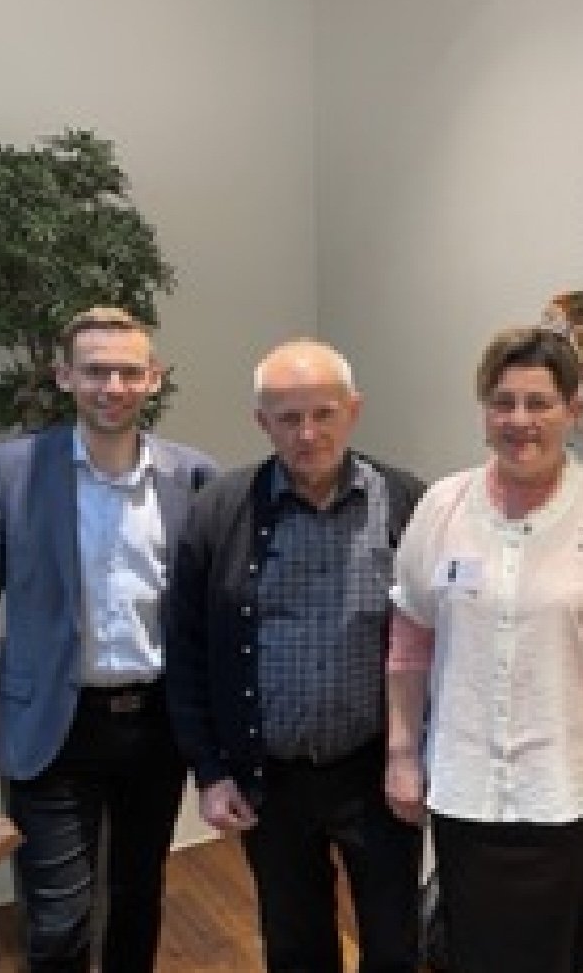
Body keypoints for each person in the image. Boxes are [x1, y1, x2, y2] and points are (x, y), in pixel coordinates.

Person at [0, 307, 217, 972]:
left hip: (156, 727)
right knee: (59, 919)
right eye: (95, 371)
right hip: (53, 727)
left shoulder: (193, 476)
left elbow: (215, 609)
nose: (112, 387)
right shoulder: (8, 472)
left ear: (153, 378)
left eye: (128, 372)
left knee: (138, 897)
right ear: (64, 375)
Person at [384, 326, 583, 973]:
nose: (520, 420)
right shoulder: (442, 507)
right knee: (470, 957)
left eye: (539, 403)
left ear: (573, 409)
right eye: (503, 402)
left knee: (564, 958)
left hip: (576, 792)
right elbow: (410, 638)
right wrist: (401, 755)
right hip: (465, 790)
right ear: (485, 411)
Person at [164, 338, 424, 973]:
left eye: (323, 413)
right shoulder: (221, 509)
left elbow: (436, 639)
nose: (308, 433)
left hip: (376, 772)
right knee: (294, 946)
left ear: (353, 410)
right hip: (269, 778)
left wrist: (420, 756)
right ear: (262, 422)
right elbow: (186, 649)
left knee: (393, 944)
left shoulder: (406, 502)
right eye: (288, 417)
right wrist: (211, 771)